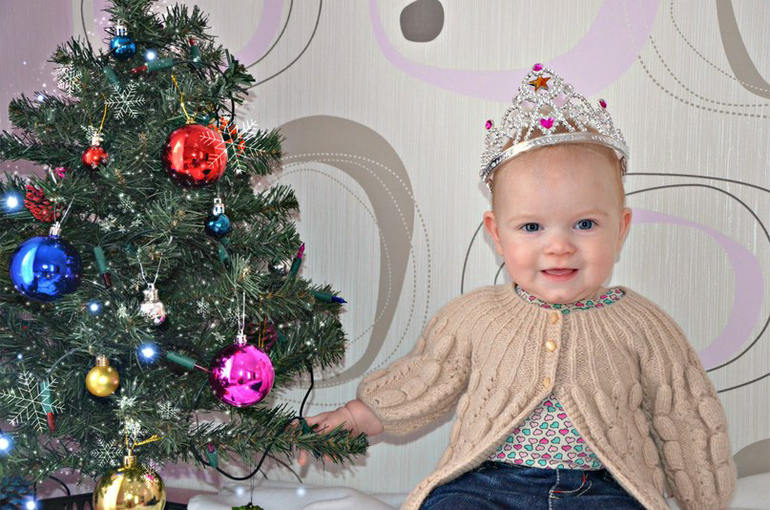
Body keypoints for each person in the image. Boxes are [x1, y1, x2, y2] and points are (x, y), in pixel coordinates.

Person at [294, 64, 738, 510]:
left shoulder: (644, 326)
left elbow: (686, 419)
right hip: (487, 483)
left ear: (621, 229)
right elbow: (424, 378)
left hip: (604, 488)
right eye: (532, 227)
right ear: (496, 234)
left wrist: (707, 502)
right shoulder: (475, 316)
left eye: (585, 224)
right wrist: (353, 417)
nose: (559, 247)